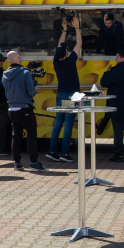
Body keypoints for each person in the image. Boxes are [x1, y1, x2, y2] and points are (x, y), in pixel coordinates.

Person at [44, 17, 82, 162]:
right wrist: (77, 27)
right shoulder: (70, 61)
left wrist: (65, 29)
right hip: (71, 96)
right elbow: (79, 43)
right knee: (68, 125)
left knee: (59, 123)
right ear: (66, 54)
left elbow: (60, 45)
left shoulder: (56, 61)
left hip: (60, 95)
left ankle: (52, 151)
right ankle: (65, 154)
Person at [2, 51, 47, 171]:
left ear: (8, 61)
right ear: (18, 58)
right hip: (25, 108)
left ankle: (17, 162)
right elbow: (31, 92)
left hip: (12, 108)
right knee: (31, 135)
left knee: (16, 136)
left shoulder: (5, 74)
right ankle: (33, 162)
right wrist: (35, 88)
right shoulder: (25, 73)